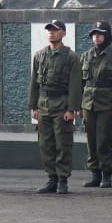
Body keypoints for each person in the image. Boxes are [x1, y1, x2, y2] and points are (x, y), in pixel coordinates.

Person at [30, 20, 81, 195]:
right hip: (44, 104)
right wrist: (33, 106)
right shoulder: (39, 56)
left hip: (61, 104)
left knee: (63, 143)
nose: (51, 33)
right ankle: (51, 177)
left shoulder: (71, 57)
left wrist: (71, 109)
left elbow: (75, 86)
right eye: (49, 30)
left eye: (55, 30)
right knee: (46, 144)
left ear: (63, 34)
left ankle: (62, 179)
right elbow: (34, 84)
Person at [78, 21, 112, 189]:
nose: (97, 37)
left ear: (107, 36)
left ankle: (106, 174)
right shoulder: (86, 56)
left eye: (100, 34)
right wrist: (79, 105)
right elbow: (81, 83)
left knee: (104, 140)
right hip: (88, 103)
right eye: (94, 34)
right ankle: (95, 174)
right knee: (91, 140)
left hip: (106, 103)